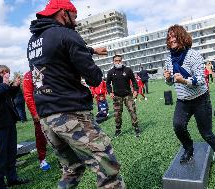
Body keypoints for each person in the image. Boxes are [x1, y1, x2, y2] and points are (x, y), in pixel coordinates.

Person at [27, 0, 125, 188]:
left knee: (72, 170)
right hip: (70, 114)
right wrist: (90, 61)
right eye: (74, 16)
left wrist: (90, 50)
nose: (76, 22)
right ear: (64, 13)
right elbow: (94, 78)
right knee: (107, 169)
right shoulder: (68, 34)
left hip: (47, 119)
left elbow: (57, 49)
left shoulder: (33, 41)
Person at [163, 25, 215, 176]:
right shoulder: (168, 59)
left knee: (206, 134)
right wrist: (167, 79)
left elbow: (201, 79)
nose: (171, 39)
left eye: (174, 36)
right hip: (183, 100)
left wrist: (184, 81)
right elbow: (169, 82)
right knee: (178, 126)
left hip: (200, 99)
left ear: (182, 37)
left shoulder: (193, 55)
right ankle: (188, 148)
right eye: (169, 37)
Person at [0, 49, 29, 189]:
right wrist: (4, 85)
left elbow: (4, 94)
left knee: (11, 152)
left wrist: (15, 87)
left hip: (8, 119)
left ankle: (12, 178)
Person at [22, 71, 51, 171]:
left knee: (61, 133)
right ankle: (42, 159)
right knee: (41, 136)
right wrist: (34, 113)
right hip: (40, 111)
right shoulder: (29, 75)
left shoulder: (50, 68)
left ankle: (65, 157)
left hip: (55, 107)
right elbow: (28, 95)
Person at [106, 55, 140, 137]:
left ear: (122, 61)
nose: (118, 62)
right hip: (117, 96)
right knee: (117, 114)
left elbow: (134, 81)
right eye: (116, 60)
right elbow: (107, 84)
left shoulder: (127, 70)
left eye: (119, 60)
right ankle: (118, 130)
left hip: (128, 95)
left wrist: (135, 90)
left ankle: (136, 128)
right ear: (113, 62)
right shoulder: (110, 72)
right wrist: (110, 92)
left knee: (132, 111)